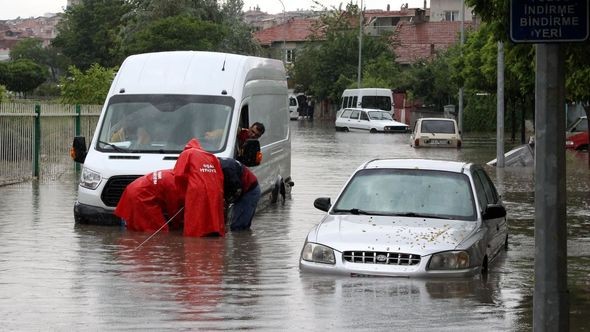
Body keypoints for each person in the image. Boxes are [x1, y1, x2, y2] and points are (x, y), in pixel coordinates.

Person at [174, 138, 225, 237]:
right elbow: (220, 177)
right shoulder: (212, 157)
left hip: (196, 189)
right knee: (213, 216)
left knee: (195, 217)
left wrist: (183, 194)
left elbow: (178, 175)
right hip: (215, 189)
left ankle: (194, 242)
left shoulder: (187, 153)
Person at [114, 169, 184, 232]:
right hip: (141, 197)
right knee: (157, 232)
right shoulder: (174, 185)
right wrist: (178, 225)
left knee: (134, 228)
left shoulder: (174, 173)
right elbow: (174, 210)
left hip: (133, 189)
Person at [218, 157, 261, 231]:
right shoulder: (219, 163)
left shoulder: (227, 168)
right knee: (241, 227)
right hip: (243, 190)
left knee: (238, 227)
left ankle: (241, 241)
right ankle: (245, 240)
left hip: (249, 192)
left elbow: (237, 190)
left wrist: (227, 202)